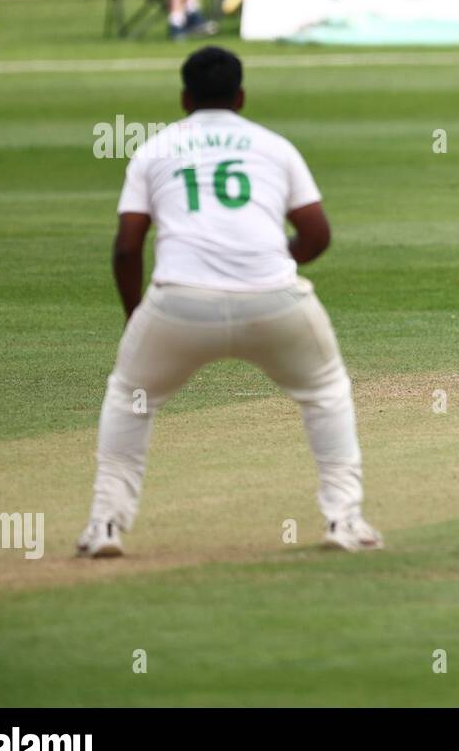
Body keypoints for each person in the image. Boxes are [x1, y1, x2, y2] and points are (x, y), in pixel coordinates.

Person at [77, 46, 381, 558]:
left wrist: (139, 320)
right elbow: (317, 234)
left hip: (179, 303)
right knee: (325, 391)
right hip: (274, 301)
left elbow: (128, 246)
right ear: (240, 96)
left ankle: (105, 526)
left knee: (131, 396)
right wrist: (270, 259)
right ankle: (344, 520)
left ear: (184, 97)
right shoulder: (275, 146)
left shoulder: (154, 149)